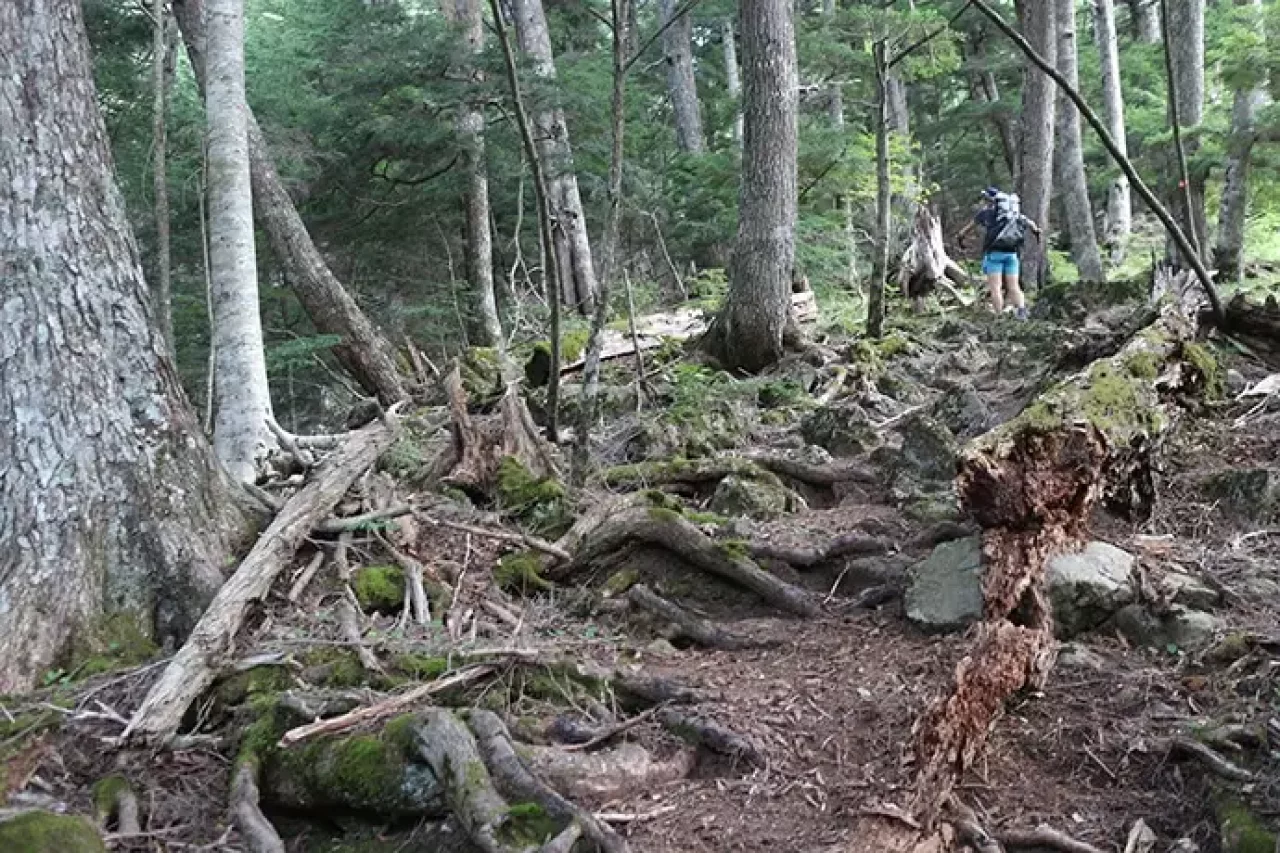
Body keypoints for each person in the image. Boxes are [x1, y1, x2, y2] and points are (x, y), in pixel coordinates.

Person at [958, 186, 1041, 319]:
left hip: (994, 254)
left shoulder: (986, 214)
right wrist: (1036, 232)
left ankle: (999, 315)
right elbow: (1031, 225)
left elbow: (965, 230)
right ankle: (1021, 311)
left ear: (990, 200)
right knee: (1014, 286)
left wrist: (961, 238)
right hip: (1011, 254)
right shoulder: (1012, 214)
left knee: (995, 287)